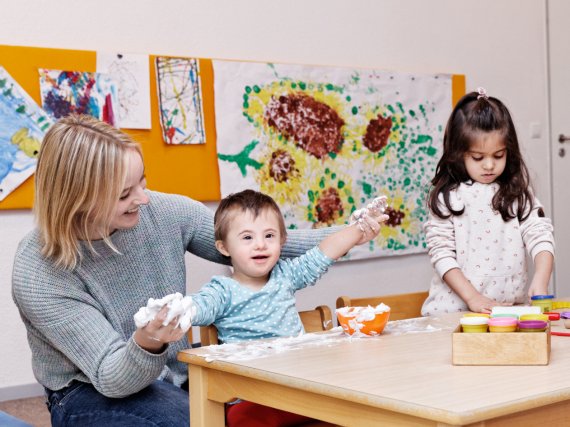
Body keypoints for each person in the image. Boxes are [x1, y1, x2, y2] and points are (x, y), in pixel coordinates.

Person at [11, 114, 380, 427]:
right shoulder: (39, 271)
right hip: (88, 390)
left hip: (176, 372)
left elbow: (252, 245)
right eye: (125, 194)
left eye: (142, 181)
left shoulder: (163, 212)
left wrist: (351, 234)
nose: (143, 198)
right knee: (200, 422)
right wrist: (150, 340)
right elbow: (111, 377)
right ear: (79, 199)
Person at [186, 189, 387, 426]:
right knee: (240, 418)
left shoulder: (287, 274)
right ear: (223, 247)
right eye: (247, 238)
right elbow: (199, 306)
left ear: (282, 240)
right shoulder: (222, 291)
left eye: (269, 235)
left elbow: (324, 253)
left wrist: (359, 228)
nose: (260, 245)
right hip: (252, 397)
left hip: (298, 388)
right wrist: (178, 310)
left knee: (354, 404)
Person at [421, 88, 554, 316]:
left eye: (498, 155)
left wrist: (541, 280)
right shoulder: (448, 197)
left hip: (506, 314)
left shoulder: (518, 194)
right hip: (453, 314)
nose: (489, 165)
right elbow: (441, 253)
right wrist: (473, 297)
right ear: (458, 153)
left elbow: (540, 235)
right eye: (478, 157)